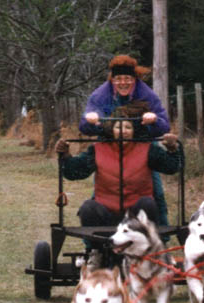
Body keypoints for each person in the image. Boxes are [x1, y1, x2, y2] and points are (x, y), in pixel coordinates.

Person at [55, 113, 183, 264]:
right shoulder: (98, 150)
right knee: (88, 207)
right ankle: (96, 252)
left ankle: (153, 250)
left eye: (128, 127)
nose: (123, 131)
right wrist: (65, 156)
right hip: (107, 214)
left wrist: (173, 149)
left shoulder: (148, 149)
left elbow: (172, 167)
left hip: (135, 217)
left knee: (148, 203)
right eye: (118, 127)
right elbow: (74, 172)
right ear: (111, 130)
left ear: (134, 130)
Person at [79, 54, 170, 227]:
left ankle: (161, 240)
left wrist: (154, 120)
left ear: (134, 79)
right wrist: (91, 120)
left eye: (127, 78)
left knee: (155, 192)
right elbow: (84, 125)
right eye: (118, 79)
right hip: (108, 149)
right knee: (100, 194)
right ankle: (92, 245)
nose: (123, 83)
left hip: (141, 149)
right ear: (112, 80)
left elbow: (164, 126)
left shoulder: (146, 94)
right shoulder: (100, 95)